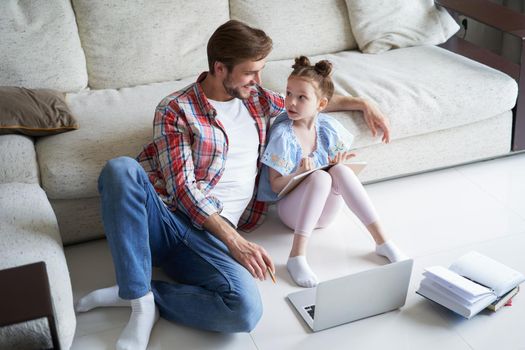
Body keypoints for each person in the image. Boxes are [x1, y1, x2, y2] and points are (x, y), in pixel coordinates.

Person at [74, 20, 392, 350]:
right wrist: (235, 241)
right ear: (219, 68)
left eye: (260, 71)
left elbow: (306, 100)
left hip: (209, 238)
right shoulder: (176, 109)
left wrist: (363, 103)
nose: (258, 80)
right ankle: (139, 305)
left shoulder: (255, 98)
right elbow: (183, 190)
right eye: (250, 72)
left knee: (244, 312)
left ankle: (147, 293)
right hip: (166, 220)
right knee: (119, 169)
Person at [257, 56, 408, 288]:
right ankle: (297, 256)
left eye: (301, 97)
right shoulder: (283, 134)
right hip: (293, 214)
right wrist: (298, 172)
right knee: (318, 177)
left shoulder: (326, 128)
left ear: (321, 104)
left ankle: (382, 241)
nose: (291, 103)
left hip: (324, 214)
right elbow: (275, 185)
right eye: (288, 93)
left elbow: (333, 169)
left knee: (340, 171)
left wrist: (338, 162)